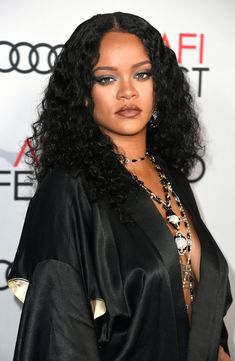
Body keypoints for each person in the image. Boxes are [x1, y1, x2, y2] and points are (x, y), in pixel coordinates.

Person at [8, 12, 232, 361]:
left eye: (142, 74)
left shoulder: (168, 175)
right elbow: (61, 338)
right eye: (107, 78)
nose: (128, 91)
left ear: (160, 86)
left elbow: (201, 302)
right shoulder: (66, 192)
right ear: (83, 94)